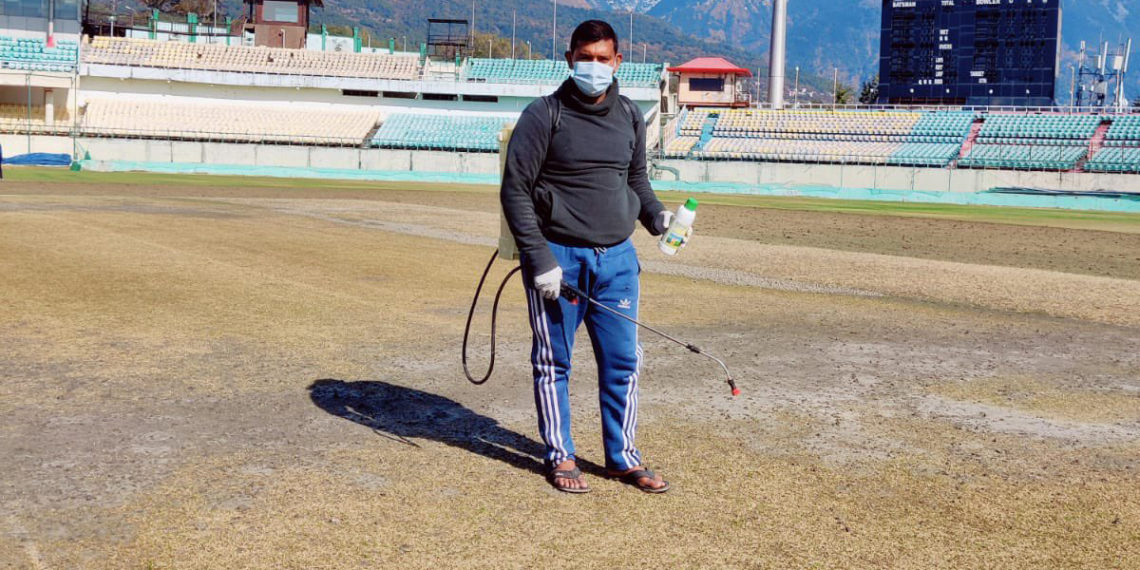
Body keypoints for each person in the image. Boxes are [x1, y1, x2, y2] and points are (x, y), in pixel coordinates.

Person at [500, 20, 675, 494]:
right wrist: (539, 259)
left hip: (618, 262)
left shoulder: (630, 115)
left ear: (618, 62)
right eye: (585, 58)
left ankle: (622, 458)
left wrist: (657, 216)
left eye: (602, 58)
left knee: (624, 361)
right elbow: (515, 191)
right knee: (553, 362)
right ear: (569, 59)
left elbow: (635, 181)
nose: (593, 66)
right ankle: (560, 455)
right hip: (560, 260)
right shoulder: (544, 115)